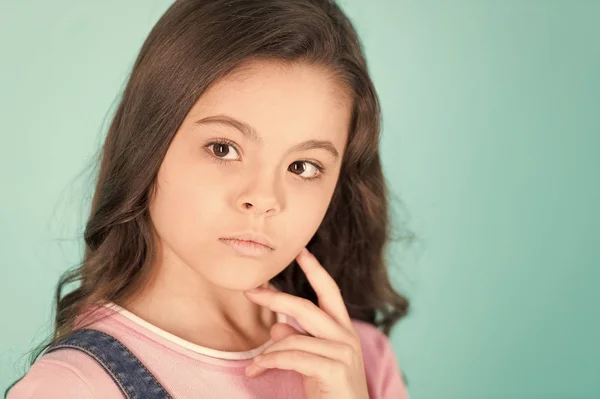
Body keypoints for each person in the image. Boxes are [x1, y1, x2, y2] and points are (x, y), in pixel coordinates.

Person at [6, 0, 411, 397]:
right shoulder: (74, 387)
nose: (263, 198)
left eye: (303, 166)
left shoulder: (360, 362)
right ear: (149, 143)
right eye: (223, 149)